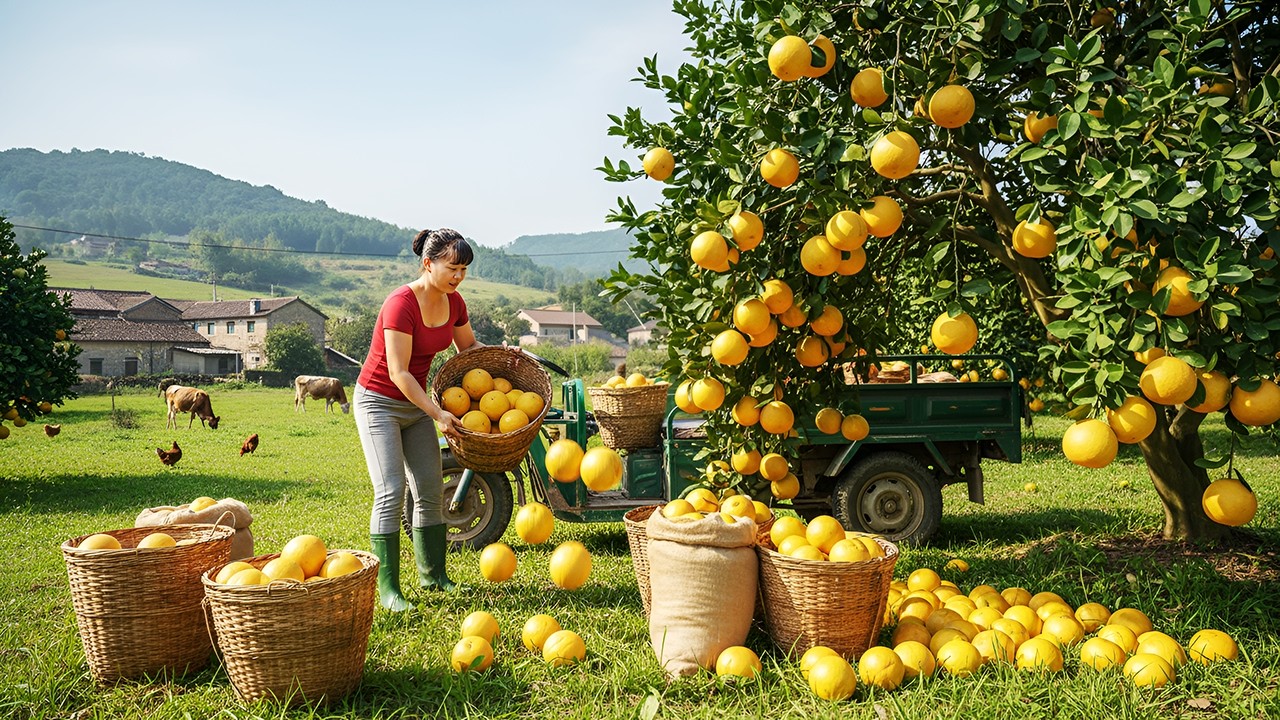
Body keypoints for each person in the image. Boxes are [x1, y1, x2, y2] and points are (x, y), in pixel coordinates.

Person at [354, 227, 478, 611]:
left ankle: (434, 576)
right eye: (452, 267)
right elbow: (398, 372)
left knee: (428, 488)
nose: (459, 276)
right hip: (379, 402)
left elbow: (469, 348)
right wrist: (438, 413)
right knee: (391, 491)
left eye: (464, 269)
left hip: (418, 405)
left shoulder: (454, 303)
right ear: (428, 263)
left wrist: (499, 355)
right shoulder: (400, 304)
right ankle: (389, 590)